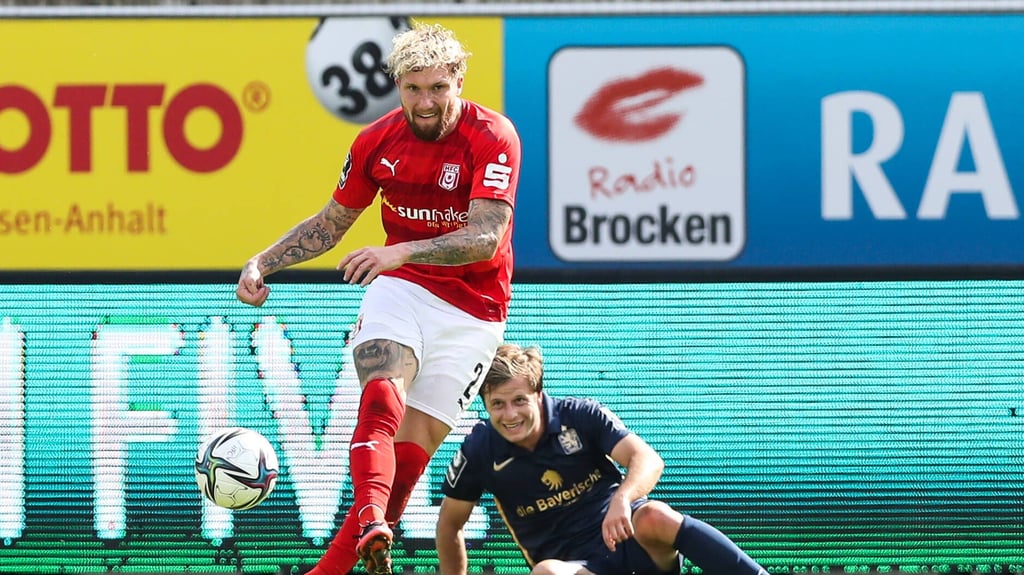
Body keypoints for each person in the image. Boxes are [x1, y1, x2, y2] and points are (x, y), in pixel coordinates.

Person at [235, 21, 521, 575]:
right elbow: (332, 223)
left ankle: (342, 557)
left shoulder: (493, 136)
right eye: (413, 88)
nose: (426, 101)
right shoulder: (375, 141)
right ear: (397, 85)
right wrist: (262, 260)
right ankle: (371, 522)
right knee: (381, 395)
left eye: (438, 88)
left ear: (459, 80)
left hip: (475, 311)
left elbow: (486, 237)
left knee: (409, 463)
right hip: (404, 289)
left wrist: (397, 251)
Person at [437, 344, 767, 575]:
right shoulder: (478, 449)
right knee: (547, 572)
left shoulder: (580, 415)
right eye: (498, 404)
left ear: (538, 395)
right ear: (484, 403)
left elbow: (647, 459)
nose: (510, 415)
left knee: (654, 514)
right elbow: (449, 525)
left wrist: (623, 499)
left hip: (629, 542)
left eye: (519, 400)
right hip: (575, 566)